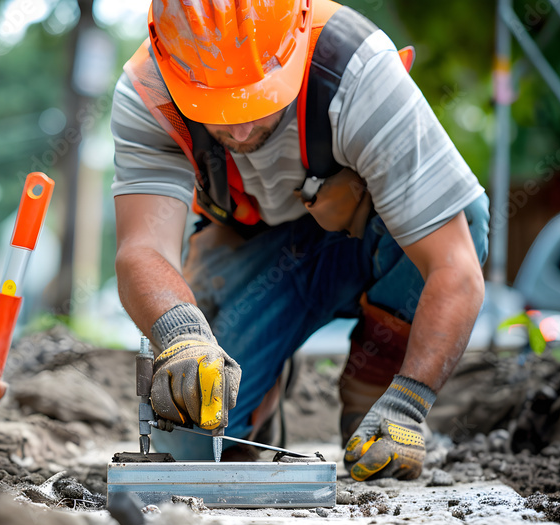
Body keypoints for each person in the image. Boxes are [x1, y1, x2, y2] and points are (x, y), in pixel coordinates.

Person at [110, 0, 490, 481]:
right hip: (261, 253)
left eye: (257, 98)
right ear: (171, 69)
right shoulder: (150, 94)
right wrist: (182, 335)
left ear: (298, 40)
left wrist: (410, 402)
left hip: (366, 239)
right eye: (215, 107)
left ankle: (377, 397)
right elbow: (142, 250)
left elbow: (453, 265)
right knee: (193, 431)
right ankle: (259, 396)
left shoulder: (355, 69)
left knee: (460, 215)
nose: (241, 127)